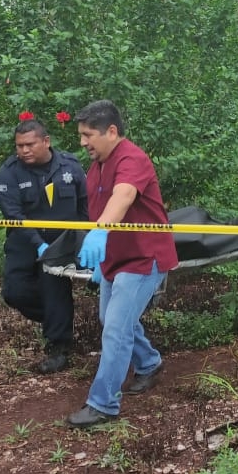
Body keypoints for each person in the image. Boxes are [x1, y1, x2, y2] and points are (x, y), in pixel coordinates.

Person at [68, 100, 178, 428]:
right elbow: (102, 204)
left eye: (88, 135)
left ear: (111, 131)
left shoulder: (132, 158)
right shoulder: (97, 164)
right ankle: (149, 363)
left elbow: (124, 195)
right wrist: (102, 252)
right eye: (81, 136)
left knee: (116, 328)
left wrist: (99, 233)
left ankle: (103, 405)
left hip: (145, 258)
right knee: (109, 318)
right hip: (117, 258)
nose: (83, 142)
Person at [0, 112, 88, 374]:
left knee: (54, 291)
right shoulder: (9, 172)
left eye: (29, 144)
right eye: (19, 146)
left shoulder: (70, 166)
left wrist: (85, 236)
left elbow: (84, 204)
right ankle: (58, 319)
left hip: (60, 242)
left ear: (46, 141)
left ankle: (59, 346)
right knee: (14, 292)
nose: (23, 150)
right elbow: (13, 215)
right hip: (24, 241)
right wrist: (37, 244)